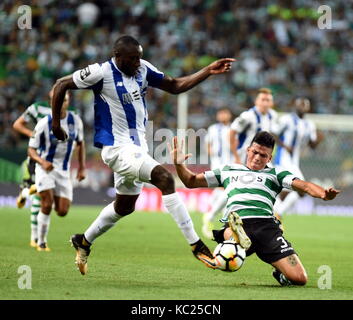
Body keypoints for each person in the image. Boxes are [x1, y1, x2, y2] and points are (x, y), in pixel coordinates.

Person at [51, 35, 234, 274]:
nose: (138, 62)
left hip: (137, 149)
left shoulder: (142, 69)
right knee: (165, 179)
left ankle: (83, 240)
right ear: (118, 57)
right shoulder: (100, 72)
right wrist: (56, 123)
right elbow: (61, 84)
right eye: (133, 58)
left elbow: (175, 85)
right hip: (117, 148)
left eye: (140, 56)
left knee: (124, 206)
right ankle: (196, 244)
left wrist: (208, 71)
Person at [169, 131, 339, 286]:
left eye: (263, 155)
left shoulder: (276, 174)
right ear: (248, 150)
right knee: (232, 231)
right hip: (239, 221)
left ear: (269, 158)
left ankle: (277, 272)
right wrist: (178, 165)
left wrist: (323, 194)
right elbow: (191, 181)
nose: (257, 157)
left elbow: (304, 185)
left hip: (268, 228)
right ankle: (234, 242)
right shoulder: (227, 170)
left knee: (300, 279)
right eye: (254, 152)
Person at [12, 90, 74, 247]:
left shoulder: (71, 114)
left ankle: (26, 192)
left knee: (45, 199)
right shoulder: (37, 108)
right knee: (40, 199)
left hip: (57, 163)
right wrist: (32, 134)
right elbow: (17, 124)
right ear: (50, 97)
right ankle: (35, 239)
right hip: (37, 157)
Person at [28, 97, 86, 251]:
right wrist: (41, 162)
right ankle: (41, 242)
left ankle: (36, 188)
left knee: (62, 211)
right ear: (52, 103)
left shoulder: (76, 121)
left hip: (64, 171)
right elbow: (31, 149)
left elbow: (81, 143)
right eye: (57, 100)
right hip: (45, 168)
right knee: (47, 204)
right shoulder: (43, 123)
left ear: (68, 102)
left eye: (64, 100)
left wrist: (81, 167)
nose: (61, 102)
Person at [273, 98, 323, 219]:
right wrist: (285, 146)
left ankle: (277, 212)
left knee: (294, 190)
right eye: (301, 104)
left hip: (294, 162)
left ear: (308, 108)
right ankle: (278, 213)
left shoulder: (309, 125)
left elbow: (312, 145)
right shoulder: (286, 119)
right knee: (301, 187)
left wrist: (319, 139)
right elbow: (273, 134)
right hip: (282, 159)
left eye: (305, 105)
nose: (303, 106)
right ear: (295, 106)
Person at [202, 108, 234, 239]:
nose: (222, 115)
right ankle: (213, 216)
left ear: (230, 115)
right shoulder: (213, 128)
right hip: (217, 164)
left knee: (224, 189)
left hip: (230, 163)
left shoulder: (234, 128)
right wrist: (213, 155)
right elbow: (207, 144)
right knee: (225, 188)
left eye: (225, 113)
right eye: (220, 113)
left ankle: (216, 214)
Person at [229, 88, 278, 164]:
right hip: (245, 157)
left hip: (262, 156)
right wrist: (236, 156)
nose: (265, 103)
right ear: (256, 101)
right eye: (262, 100)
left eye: (268, 100)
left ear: (272, 103)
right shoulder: (248, 115)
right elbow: (232, 132)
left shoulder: (273, 115)